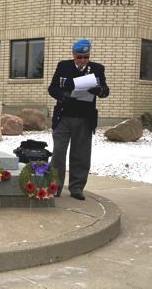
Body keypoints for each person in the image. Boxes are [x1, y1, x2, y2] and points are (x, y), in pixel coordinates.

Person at [48, 38, 109, 200]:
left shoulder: (97, 69)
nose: (82, 60)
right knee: (59, 154)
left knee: (80, 154)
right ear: (73, 55)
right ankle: (55, 186)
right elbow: (52, 88)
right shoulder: (63, 66)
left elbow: (105, 90)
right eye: (79, 57)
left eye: (86, 57)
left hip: (84, 118)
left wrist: (99, 90)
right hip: (64, 117)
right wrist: (63, 96)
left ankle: (77, 187)